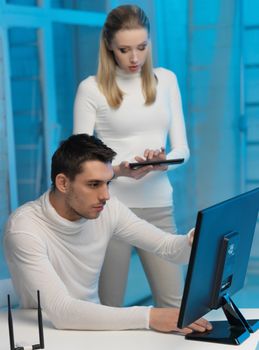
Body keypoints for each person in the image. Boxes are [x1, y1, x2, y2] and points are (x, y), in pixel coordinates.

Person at [4, 134, 211, 333]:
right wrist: (150, 317)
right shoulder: (24, 228)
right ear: (63, 183)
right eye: (93, 184)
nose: (105, 195)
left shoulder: (108, 209)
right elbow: (62, 311)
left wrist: (193, 240)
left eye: (108, 182)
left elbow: (170, 249)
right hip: (45, 332)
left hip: (96, 328)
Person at [73, 5, 190, 308]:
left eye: (142, 47)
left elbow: (182, 149)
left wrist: (164, 161)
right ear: (109, 46)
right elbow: (78, 161)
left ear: (150, 42)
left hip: (159, 207)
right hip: (110, 210)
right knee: (108, 307)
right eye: (125, 49)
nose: (135, 58)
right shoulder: (91, 89)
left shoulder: (166, 81)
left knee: (176, 308)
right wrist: (120, 172)